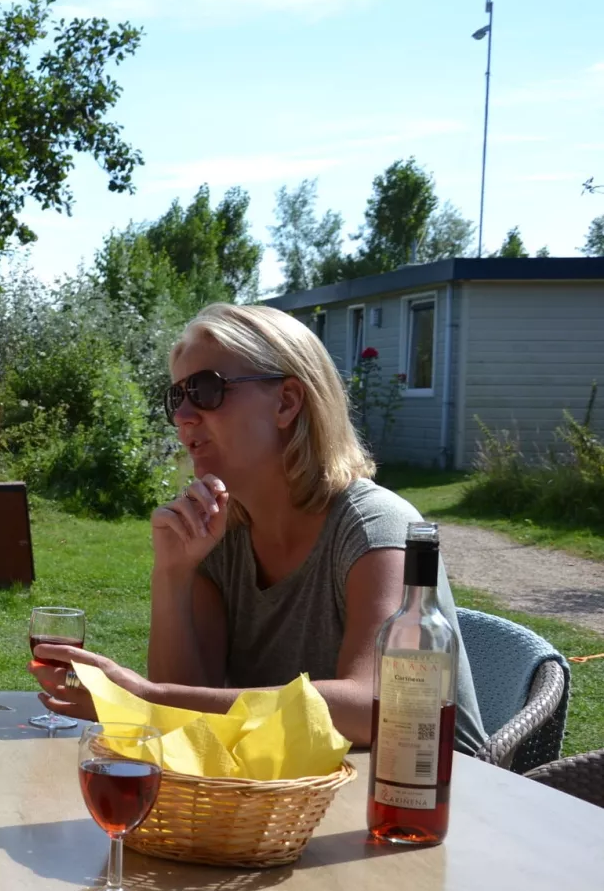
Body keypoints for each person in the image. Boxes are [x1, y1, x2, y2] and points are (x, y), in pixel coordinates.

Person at [30, 303, 486, 753]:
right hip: (296, 799)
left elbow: (377, 705)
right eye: (176, 396)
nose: (182, 415)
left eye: (206, 390)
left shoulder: (375, 528)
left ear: (286, 402)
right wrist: (172, 573)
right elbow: (188, 704)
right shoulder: (220, 537)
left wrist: (146, 700)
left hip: (435, 800)